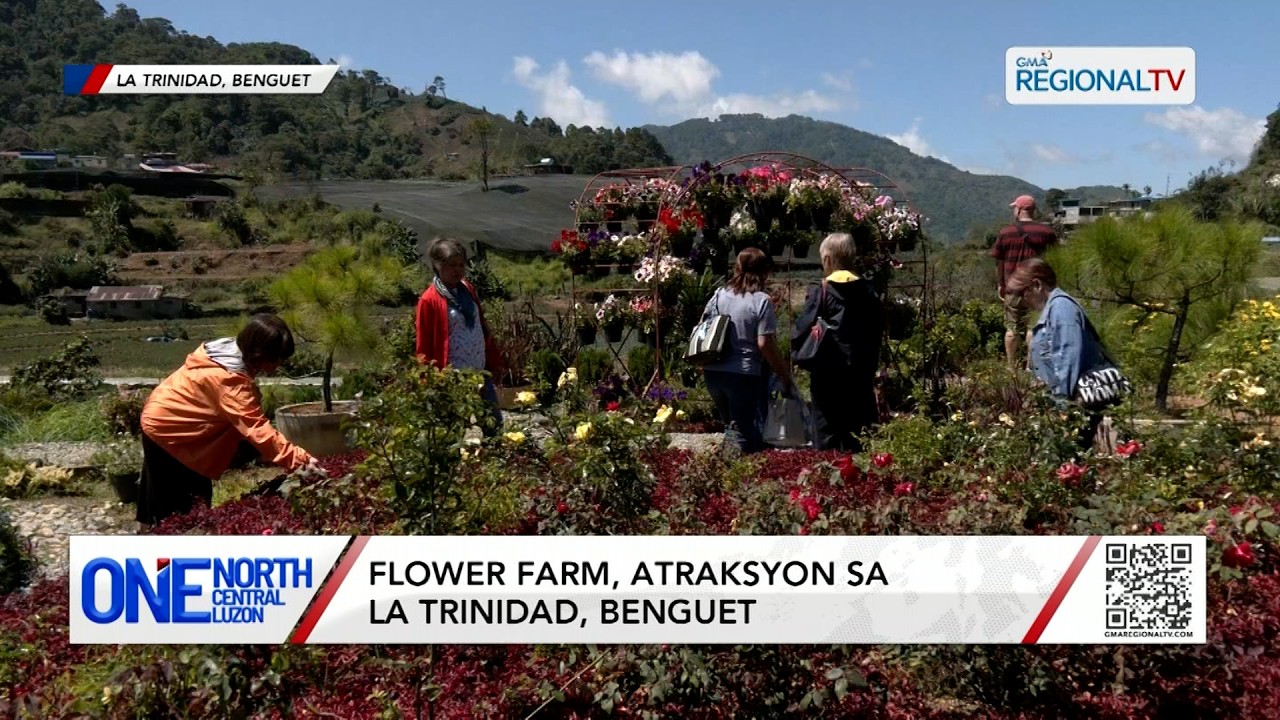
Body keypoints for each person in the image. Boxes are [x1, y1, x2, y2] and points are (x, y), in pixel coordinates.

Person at [137, 314, 320, 529]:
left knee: (168, 497)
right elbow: (256, 428)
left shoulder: (225, 353)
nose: (280, 364)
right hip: (170, 431)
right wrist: (301, 462)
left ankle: (150, 535)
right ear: (260, 353)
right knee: (183, 508)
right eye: (277, 358)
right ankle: (165, 550)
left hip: (166, 417)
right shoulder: (229, 381)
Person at [792, 233, 885, 451]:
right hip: (860, 371)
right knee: (860, 432)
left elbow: (802, 328)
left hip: (827, 372)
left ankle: (829, 478)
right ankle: (862, 478)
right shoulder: (868, 290)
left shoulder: (821, 290)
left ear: (827, 259)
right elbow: (877, 329)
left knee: (827, 431)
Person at [1004, 258, 1107, 451]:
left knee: (1068, 459)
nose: (1022, 301)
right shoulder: (1052, 310)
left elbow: (1068, 360)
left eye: (1021, 293)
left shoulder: (1062, 309)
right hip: (1063, 405)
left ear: (1037, 285)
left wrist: (1062, 410)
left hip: (1073, 405)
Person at [701, 247, 796, 453]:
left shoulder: (719, 295)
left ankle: (725, 475)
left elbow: (703, 326)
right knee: (744, 432)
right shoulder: (761, 301)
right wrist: (783, 373)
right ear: (764, 272)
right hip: (743, 374)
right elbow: (764, 344)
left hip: (714, 372)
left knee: (730, 429)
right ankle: (743, 478)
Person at [414, 237, 504, 432]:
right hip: (453, 376)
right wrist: (428, 378)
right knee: (453, 429)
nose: (458, 270)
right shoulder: (429, 300)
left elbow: (481, 326)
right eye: (451, 265)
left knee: (493, 425)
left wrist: (494, 359)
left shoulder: (467, 290)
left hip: (479, 370)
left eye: (461, 265)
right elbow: (424, 344)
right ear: (437, 266)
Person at [991, 194, 1058, 369]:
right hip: (1038, 290)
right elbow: (1056, 259)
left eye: (1015, 207)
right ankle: (1031, 367)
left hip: (1013, 288)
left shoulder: (1006, 232)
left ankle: (1012, 368)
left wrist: (1000, 284)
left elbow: (999, 261)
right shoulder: (1047, 233)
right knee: (1033, 327)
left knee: (1012, 328)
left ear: (1020, 209)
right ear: (1033, 211)